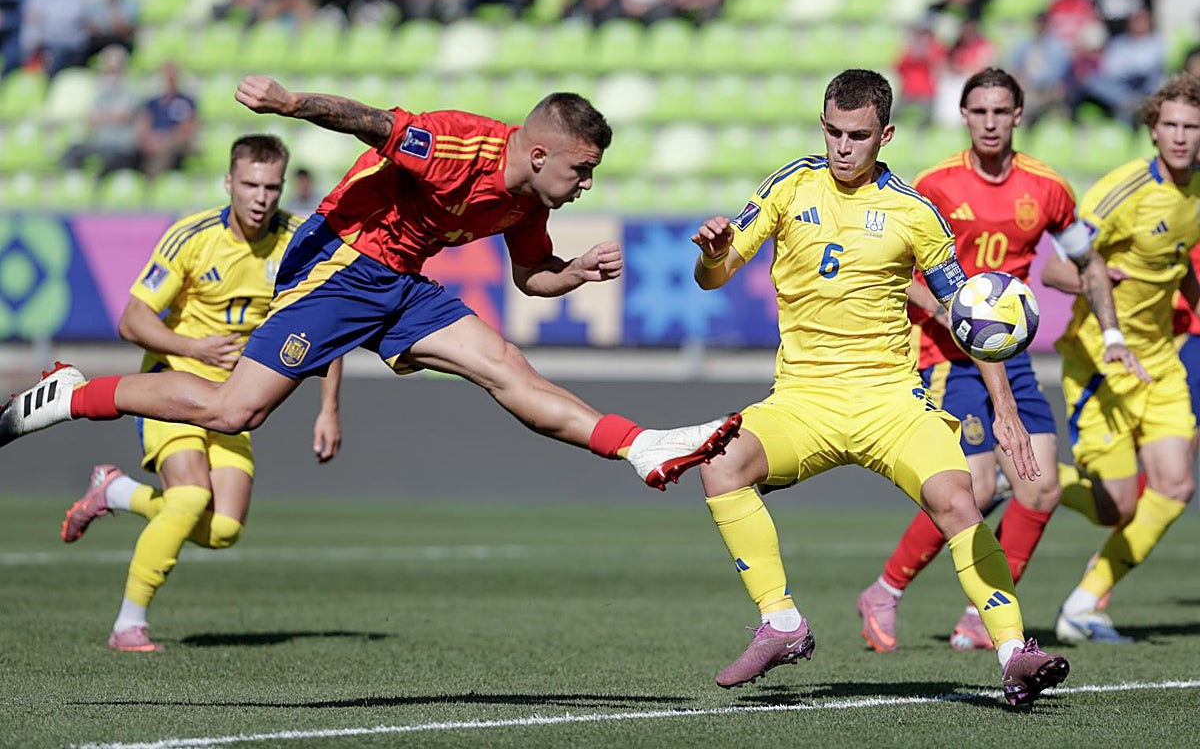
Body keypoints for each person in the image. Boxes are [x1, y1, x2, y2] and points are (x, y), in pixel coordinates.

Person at [1, 77, 741, 501]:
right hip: (339, 264)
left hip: (400, 282)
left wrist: (571, 275)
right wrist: (289, 103)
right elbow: (370, 122)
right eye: (581, 171)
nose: (584, 185)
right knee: (233, 411)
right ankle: (74, 393)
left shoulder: (530, 199)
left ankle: (641, 445)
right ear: (539, 150)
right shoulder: (458, 144)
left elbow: (529, 275)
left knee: (505, 366)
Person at [683, 68, 1068, 704]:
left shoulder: (917, 213)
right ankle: (782, 623)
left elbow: (966, 314)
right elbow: (713, 278)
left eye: (857, 136)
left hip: (890, 401)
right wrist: (711, 252)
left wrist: (1005, 407)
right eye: (832, 131)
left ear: (884, 134)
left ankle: (1011, 652)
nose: (841, 147)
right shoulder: (789, 186)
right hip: (803, 399)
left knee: (961, 499)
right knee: (721, 465)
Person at [855, 67, 1144, 654]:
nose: (990, 122)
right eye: (978, 112)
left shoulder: (1047, 187)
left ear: (1018, 116)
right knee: (978, 486)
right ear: (964, 116)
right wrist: (951, 312)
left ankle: (980, 614)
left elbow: (1076, 261)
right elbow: (895, 275)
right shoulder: (933, 186)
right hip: (944, 354)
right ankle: (884, 591)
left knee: (1038, 487)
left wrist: (1102, 309)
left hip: (1007, 355)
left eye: (1000, 112)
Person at [58, 134, 343, 652]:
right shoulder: (191, 236)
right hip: (171, 383)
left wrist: (328, 409)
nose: (261, 196)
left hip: (232, 402)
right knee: (189, 497)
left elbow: (333, 321)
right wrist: (193, 345)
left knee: (224, 529)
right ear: (229, 182)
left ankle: (116, 492)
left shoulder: (300, 242)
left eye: (272, 186)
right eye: (251, 184)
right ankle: (128, 624)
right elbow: (132, 320)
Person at [1040, 74, 1200, 643]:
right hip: (1100, 364)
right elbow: (1056, 269)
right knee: (1119, 509)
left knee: (1176, 487)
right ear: (1153, 130)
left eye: (1192, 127)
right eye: (1171, 126)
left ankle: (1084, 604)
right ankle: (1038, 481)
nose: (1181, 137)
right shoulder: (1121, 191)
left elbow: (1185, 271)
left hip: (1160, 362)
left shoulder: (1197, 193)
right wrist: (1094, 277)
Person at [60, 44, 142, 179]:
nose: (110, 73)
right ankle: (75, 186)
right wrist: (110, 116)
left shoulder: (132, 89)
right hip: (99, 143)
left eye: (114, 69)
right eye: (108, 69)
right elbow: (92, 119)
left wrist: (103, 117)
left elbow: (123, 116)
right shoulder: (99, 90)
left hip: (121, 147)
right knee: (72, 152)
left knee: (108, 163)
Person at [135, 61, 199, 179]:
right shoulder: (152, 102)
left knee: (164, 154)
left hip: (177, 143)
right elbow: (144, 125)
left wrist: (165, 140)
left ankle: (153, 183)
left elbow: (187, 129)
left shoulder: (187, 101)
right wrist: (150, 140)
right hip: (155, 142)